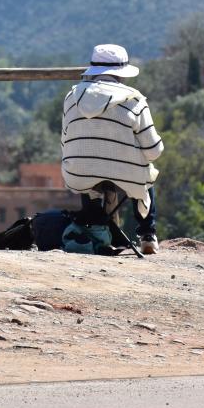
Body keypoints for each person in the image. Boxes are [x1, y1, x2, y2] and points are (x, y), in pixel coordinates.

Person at [61, 42, 163, 255]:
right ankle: (147, 234)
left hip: (78, 174)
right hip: (125, 175)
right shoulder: (134, 100)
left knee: (86, 161)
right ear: (121, 74)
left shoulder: (71, 97)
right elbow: (153, 150)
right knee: (147, 170)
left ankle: (95, 226)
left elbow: (65, 141)